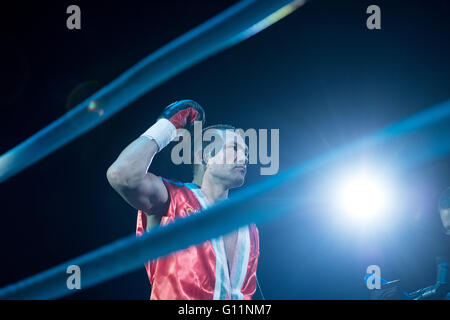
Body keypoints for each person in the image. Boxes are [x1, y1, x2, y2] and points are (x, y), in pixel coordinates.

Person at [106, 100, 259, 300]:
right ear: (206, 157)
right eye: (235, 149)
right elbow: (121, 174)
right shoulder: (172, 198)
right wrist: (166, 125)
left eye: (246, 153)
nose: (244, 157)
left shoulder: (248, 226)